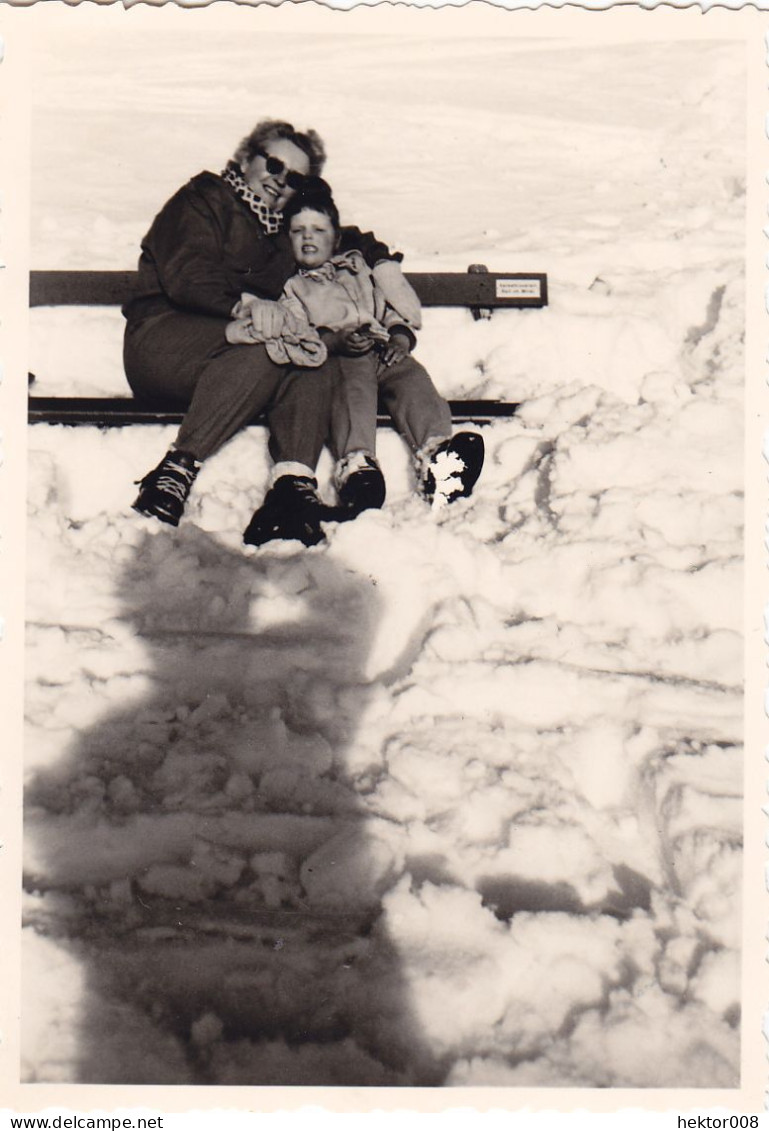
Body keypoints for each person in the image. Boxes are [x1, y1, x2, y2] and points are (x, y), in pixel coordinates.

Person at [124, 119, 399, 547]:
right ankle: (175, 471)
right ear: (246, 158)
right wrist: (245, 307)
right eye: (273, 165)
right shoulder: (202, 201)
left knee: (311, 351)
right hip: (167, 341)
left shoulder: (282, 230)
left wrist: (380, 260)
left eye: (294, 178)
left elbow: (343, 237)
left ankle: (293, 487)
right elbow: (188, 272)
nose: (279, 181)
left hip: (245, 353)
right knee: (274, 345)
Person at [226, 179, 485, 516]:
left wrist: (399, 337)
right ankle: (357, 463)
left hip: (380, 347)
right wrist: (334, 340)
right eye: (298, 230)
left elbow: (388, 307)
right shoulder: (290, 284)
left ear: (335, 237)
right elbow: (292, 328)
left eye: (318, 230)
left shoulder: (356, 267)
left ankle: (438, 454)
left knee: (412, 378)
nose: (307, 237)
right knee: (354, 386)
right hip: (335, 358)